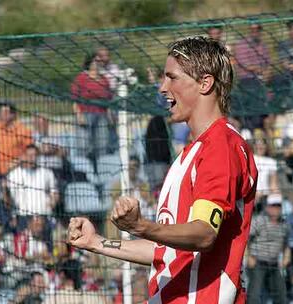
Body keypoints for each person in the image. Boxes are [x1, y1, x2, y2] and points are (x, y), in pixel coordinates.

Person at [68, 36, 258, 303]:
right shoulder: (192, 152)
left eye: (172, 77)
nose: (162, 88)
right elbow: (167, 251)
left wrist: (141, 225)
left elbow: (203, 233)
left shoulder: (220, 146)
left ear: (205, 83)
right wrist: (96, 243)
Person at [247, 194, 289, 303]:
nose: (276, 209)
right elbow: (246, 239)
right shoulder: (259, 221)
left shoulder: (284, 224)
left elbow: (286, 243)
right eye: (273, 206)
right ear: (267, 207)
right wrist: (249, 256)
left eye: (278, 206)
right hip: (258, 262)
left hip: (274, 263)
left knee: (281, 294)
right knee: (254, 294)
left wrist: (286, 257)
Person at [0, 103, 33, 176]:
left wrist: (16, 163)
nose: (2, 116)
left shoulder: (23, 130)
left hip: (17, 171)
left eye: (5, 113)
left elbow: (31, 152)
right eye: (1, 113)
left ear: (13, 115)